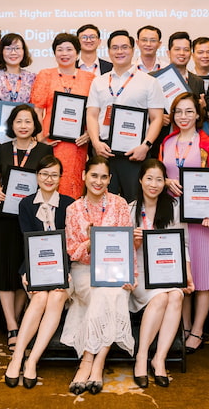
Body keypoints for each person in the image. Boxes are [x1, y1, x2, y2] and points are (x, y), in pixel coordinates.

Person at [61, 156, 133, 395]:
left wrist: (129, 275)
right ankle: (92, 363)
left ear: (110, 179)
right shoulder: (73, 209)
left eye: (104, 177)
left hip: (114, 270)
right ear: (84, 176)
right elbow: (73, 251)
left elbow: (127, 244)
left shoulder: (120, 204)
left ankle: (92, 362)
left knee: (117, 294)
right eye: (94, 175)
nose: (98, 181)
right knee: (104, 294)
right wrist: (91, 243)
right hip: (84, 270)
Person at [158, 92, 209, 354]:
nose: (183, 117)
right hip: (172, 216)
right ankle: (182, 327)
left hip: (201, 219)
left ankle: (197, 330)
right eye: (178, 112)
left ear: (198, 115)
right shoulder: (167, 141)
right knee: (181, 277)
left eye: (188, 111)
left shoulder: (208, 143)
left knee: (203, 276)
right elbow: (156, 176)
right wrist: (165, 182)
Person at [0, 104, 54, 350]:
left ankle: (17, 323)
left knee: (22, 270)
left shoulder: (45, 150)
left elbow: (50, 179)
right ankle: (12, 325)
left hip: (32, 217)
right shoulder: (2, 149)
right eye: (18, 121)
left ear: (35, 125)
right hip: (3, 216)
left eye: (28, 121)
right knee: (3, 270)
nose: (23, 125)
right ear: (11, 125)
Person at [4, 155, 76, 388]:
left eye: (54, 175)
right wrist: (29, 272)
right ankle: (16, 358)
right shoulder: (25, 204)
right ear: (37, 176)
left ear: (60, 178)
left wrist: (62, 271)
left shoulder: (68, 204)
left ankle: (32, 360)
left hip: (64, 269)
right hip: (35, 267)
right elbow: (28, 243)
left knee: (55, 296)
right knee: (40, 297)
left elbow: (69, 245)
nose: (48, 179)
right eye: (44, 174)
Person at [129, 159, 194, 388]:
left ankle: (159, 359)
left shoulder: (174, 208)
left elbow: (183, 244)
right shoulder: (131, 209)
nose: (154, 184)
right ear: (140, 180)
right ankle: (141, 357)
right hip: (141, 276)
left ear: (164, 182)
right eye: (149, 178)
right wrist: (134, 243)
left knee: (176, 295)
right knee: (160, 297)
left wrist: (187, 276)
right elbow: (124, 254)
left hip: (166, 272)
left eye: (159, 179)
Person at [86, 30, 166, 202]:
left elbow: (157, 118)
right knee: (104, 203)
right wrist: (95, 143)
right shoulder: (98, 82)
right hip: (104, 150)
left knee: (136, 202)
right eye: (115, 48)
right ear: (108, 51)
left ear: (133, 49)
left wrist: (146, 146)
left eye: (124, 47)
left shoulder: (149, 82)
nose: (119, 51)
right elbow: (92, 115)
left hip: (135, 152)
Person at [30, 32, 95, 198]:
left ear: (77, 53)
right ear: (54, 53)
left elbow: (95, 112)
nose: (64, 54)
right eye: (60, 50)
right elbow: (37, 110)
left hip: (78, 143)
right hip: (50, 141)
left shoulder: (90, 78)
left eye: (69, 49)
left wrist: (89, 134)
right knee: (50, 179)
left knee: (73, 182)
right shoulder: (45, 75)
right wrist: (39, 139)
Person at [0, 32, 36, 145]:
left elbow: (35, 110)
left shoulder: (32, 78)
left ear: (24, 51)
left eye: (17, 48)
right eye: (8, 48)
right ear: (1, 51)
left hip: (24, 134)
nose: (13, 52)